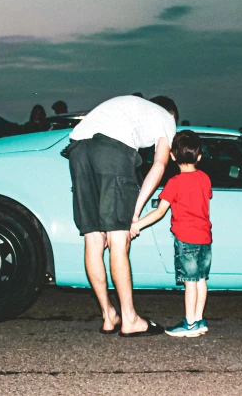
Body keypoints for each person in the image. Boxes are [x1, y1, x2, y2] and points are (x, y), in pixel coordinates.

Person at [66, 94, 177, 337]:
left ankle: (108, 315)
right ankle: (130, 319)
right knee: (118, 239)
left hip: (77, 147)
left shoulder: (131, 108)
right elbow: (159, 165)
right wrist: (134, 212)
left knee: (94, 238)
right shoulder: (166, 118)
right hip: (112, 149)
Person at [130, 130, 212, 338]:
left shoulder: (174, 183)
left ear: (173, 156)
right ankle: (199, 319)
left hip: (187, 240)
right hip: (205, 239)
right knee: (201, 280)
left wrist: (137, 224)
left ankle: (190, 323)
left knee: (190, 283)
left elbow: (159, 212)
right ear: (199, 156)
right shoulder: (204, 179)